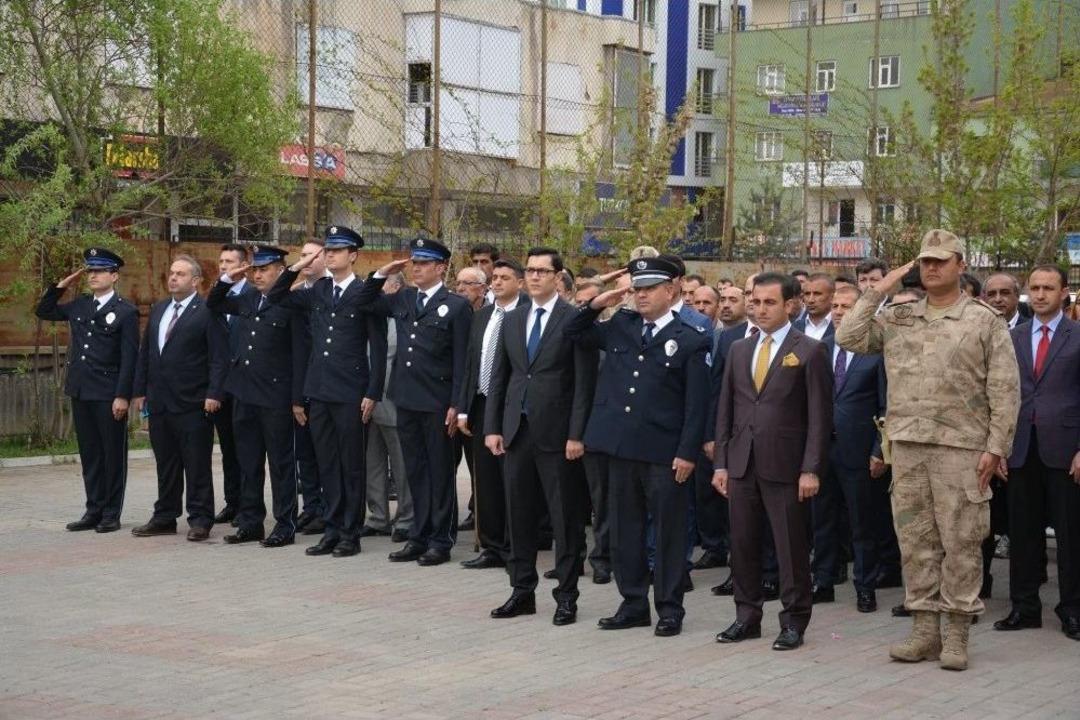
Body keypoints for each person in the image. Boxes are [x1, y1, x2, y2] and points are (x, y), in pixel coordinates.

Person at [836, 229, 1020, 671]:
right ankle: (924, 630)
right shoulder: (899, 317)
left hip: (962, 448)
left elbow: (1005, 388)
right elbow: (847, 336)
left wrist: (996, 447)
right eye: (925, 261)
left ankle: (956, 633)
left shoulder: (983, 321)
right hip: (909, 447)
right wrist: (881, 288)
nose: (931, 268)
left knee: (961, 542)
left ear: (961, 265)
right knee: (915, 542)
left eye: (941, 260)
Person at [566, 257, 711, 638]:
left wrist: (687, 453)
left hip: (664, 452)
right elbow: (573, 331)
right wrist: (597, 303)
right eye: (637, 288)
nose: (641, 295)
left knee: (668, 533)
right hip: (619, 448)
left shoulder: (690, 338)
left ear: (671, 290)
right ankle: (632, 603)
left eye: (649, 288)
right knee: (624, 530)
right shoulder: (621, 325)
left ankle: (669, 607)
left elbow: (697, 405)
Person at [713, 272, 832, 651]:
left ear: (790, 305)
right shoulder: (739, 349)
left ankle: (794, 620)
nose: (760, 309)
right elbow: (726, 409)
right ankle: (746, 616)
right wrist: (721, 463)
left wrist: (811, 468)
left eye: (769, 302)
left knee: (790, 548)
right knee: (743, 544)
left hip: (786, 466)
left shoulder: (810, 350)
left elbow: (819, 417)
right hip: (741, 463)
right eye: (755, 302)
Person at [483, 248, 598, 626]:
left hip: (558, 435)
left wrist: (577, 433)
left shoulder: (573, 319)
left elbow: (583, 383)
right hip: (517, 432)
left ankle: (566, 596)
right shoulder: (513, 319)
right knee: (518, 516)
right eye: (530, 270)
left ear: (558, 277)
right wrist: (493, 427)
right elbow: (500, 376)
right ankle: (521, 591)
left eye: (542, 271)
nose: (534, 277)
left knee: (564, 519)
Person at [266, 226, 387, 558]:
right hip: (319, 390)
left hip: (351, 392)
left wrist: (373, 391)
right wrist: (297, 265)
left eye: (337, 250)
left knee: (351, 465)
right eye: (327, 250)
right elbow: (276, 297)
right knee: (327, 464)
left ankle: (350, 533)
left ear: (353, 255)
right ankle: (332, 529)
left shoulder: (364, 292)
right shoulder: (318, 290)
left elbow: (377, 348)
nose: (330, 255)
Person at [359, 238, 472, 566]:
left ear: (440, 267)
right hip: (406, 399)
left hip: (437, 402)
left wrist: (457, 404)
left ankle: (441, 540)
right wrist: (382, 273)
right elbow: (364, 301)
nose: (416, 268)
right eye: (414, 262)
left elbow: (463, 361)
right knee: (415, 472)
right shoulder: (405, 298)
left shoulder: (456, 306)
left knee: (439, 473)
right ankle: (418, 536)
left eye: (423, 263)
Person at [993, 265, 1080, 642]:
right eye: (1035, 287)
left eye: (1048, 287)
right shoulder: (1011, 338)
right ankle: (1024, 608)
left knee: (1071, 536)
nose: (1041, 294)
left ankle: (1072, 610)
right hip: (1020, 448)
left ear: (1064, 292)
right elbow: (999, 394)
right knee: (1023, 533)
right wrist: (997, 446)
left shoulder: (1077, 336)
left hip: (1066, 450)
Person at [35, 248, 139, 533]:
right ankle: (93, 510)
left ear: (114, 276)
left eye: (100, 271)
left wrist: (123, 395)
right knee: (90, 454)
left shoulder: (126, 311)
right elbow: (44, 311)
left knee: (112, 454)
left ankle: (111, 514)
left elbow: (129, 357)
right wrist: (60, 286)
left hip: (108, 393)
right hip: (81, 390)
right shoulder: (80, 305)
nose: (93, 275)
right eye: (90, 271)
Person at [207, 245, 304, 547]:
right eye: (255, 270)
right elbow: (214, 302)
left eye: (264, 269)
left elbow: (299, 355)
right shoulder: (247, 298)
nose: (257, 275)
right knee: (248, 463)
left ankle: (285, 525)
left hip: (275, 396)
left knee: (280, 465)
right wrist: (229, 278)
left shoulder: (290, 303)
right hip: (244, 392)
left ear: (280, 270)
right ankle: (251, 522)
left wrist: (297, 399)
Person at [131, 255, 228, 542]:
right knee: (166, 464)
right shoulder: (160, 309)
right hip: (160, 402)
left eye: (181, 274)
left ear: (196, 280)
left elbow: (219, 357)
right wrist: (140, 390)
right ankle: (164, 516)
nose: (173, 278)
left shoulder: (207, 311)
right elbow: (147, 352)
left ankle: (200, 519)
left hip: (193, 402)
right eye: (172, 273)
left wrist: (214, 393)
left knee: (196, 464)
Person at [812, 285, 887, 612]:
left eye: (847, 306)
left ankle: (865, 587)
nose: (839, 312)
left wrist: (879, 450)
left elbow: (886, 405)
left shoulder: (876, 352)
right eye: (836, 306)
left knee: (861, 524)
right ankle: (823, 581)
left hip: (859, 452)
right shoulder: (821, 348)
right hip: (821, 451)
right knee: (822, 520)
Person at [456, 258, 527, 569]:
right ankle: (492, 546)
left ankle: (516, 547)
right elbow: (471, 363)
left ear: (520, 283)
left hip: (513, 406)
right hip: (482, 403)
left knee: (513, 479)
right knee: (485, 479)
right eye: (494, 277)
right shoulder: (483, 316)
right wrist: (463, 408)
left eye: (504, 277)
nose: (497, 282)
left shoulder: (526, 314)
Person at [361, 272, 412, 544]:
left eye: (383, 285)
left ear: (397, 287)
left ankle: (406, 518)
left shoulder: (402, 315)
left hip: (393, 400)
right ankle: (378, 517)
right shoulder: (373, 315)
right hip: (367, 399)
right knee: (374, 460)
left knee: (401, 462)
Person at [211, 243, 250, 526]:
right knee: (227, 449)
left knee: (246, 449)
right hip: (221, 385)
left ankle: (248, 505)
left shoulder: (253, 295)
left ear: (244, 265)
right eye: (221, 261)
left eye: (230, 262)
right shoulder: (217, 295)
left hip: (246, 384)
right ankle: (232, 502)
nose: (224, 266)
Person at [293, 239, 329, 536]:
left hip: (328, 384)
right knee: (304, 451)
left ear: (325, 258)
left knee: (326, 452)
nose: (304, 260)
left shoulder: (335, 289)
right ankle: (312, 506)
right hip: (301, 381)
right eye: (301, 255)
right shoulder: (296, 293)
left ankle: (329, 510)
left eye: (310, 256)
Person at [794, 272, 834, 341]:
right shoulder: (794, 328)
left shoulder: (841, 327)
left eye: (817, 294)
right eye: (807, 294)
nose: (810, 300)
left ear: (832, 297)